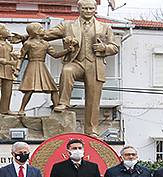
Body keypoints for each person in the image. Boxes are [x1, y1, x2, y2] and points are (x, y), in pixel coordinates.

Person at [43, 0, 120, 136]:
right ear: (79, 9)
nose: (88, 11)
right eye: (85, 8)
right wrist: (28, 36)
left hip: (95, 64)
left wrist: (104, 48)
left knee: (93, 100)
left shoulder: (104, 27)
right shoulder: (68, 26)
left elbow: (114, 47)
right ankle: (63, 102)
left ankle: (91, 130)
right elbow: (47, 34)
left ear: (95, 9)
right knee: (67, 70)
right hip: (77, 62)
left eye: (91, 8)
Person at [16, 23, 74, 115]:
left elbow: (55, 55)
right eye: (41, 28)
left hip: (42, 67)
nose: (44, 30)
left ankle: (56, 108)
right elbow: (21, 57)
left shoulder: (45, 44)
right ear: (36, 32)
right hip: (32, 67)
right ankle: (21, 109)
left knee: (54, 89)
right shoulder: (28, 43)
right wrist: (17, 68)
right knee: (29, 90)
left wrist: (67, 51)